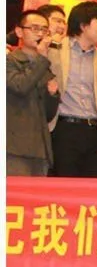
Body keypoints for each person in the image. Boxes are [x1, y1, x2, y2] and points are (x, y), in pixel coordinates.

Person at [48, 0, 97, 178]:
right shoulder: (56, 49)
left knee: (96, 186)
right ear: (83, 25)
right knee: (65, 185)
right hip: (64, 129)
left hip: (94, 131)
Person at [7, 9, 59, 176]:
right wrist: (41, 59)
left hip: (40, 148)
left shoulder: (43, 66)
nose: (40, 34)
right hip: (13, 148)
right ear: (19, 31)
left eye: (44, 30)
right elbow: (20, 86)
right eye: (35, 28)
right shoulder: (9, 60)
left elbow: (48, 115)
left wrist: (52, 95)